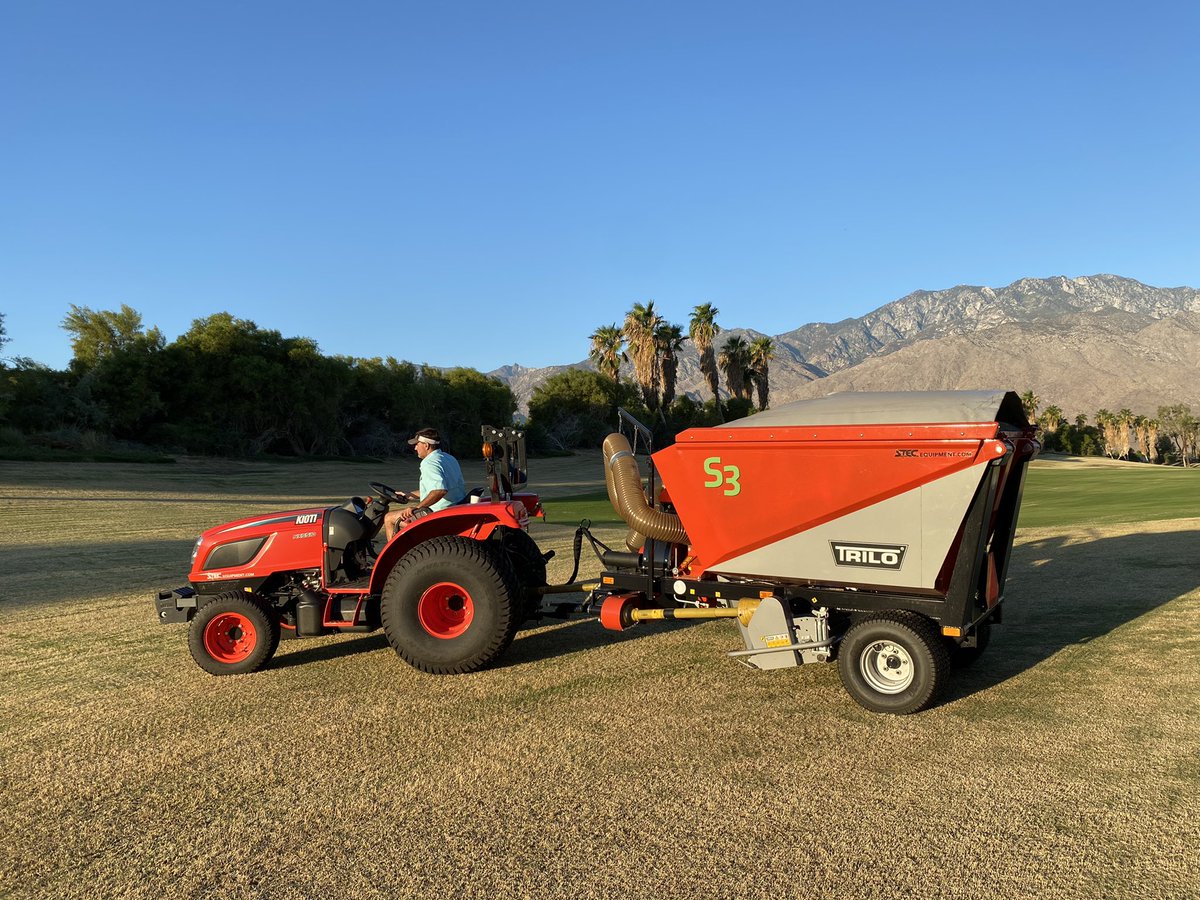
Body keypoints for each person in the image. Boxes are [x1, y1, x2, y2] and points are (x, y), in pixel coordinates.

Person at [383, 428, 467, 540]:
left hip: (437, 513)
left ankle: (395, 551)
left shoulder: (429, 463)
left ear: (426, 445)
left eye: (417, 444)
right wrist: (409, 495)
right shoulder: (448, 458)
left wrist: (416, 508)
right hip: (454, 508)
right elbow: (436, 488)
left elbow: (440, 491)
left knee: (389, 518)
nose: (415, 448)